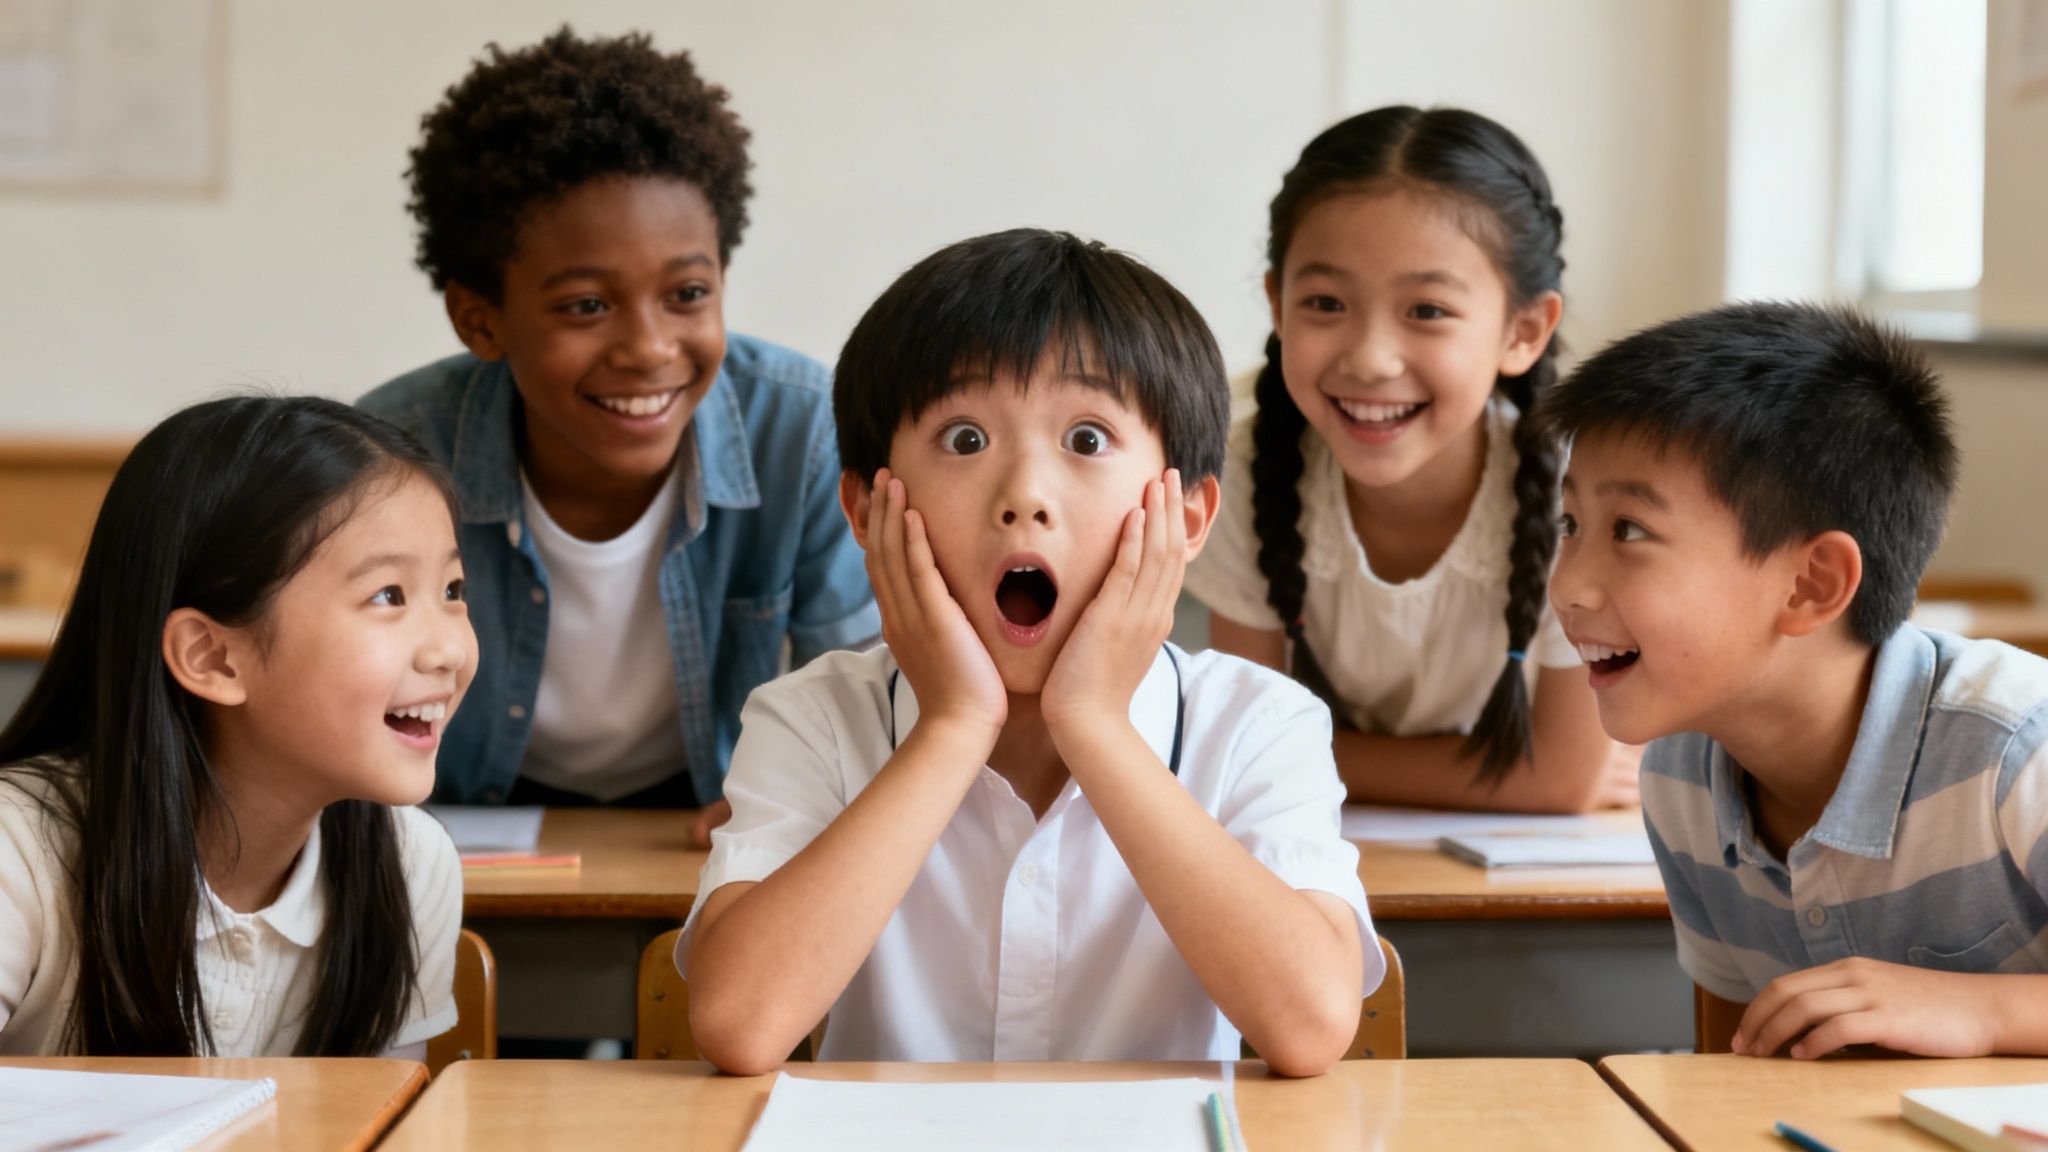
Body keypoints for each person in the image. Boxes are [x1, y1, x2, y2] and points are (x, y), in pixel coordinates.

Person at [361, 28, 876, 843]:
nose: (648, 349)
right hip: (458, 831)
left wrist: (801, 800)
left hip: (709, 823)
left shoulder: (804, 433)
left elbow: (877, 696)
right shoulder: (391, 456)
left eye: (688, 293)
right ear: (480, 318)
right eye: (586, 306)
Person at [1546, 301, 2048, 1058]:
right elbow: (1734, 1071)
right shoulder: (1681, 777)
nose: (1570, 588)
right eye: (1570, 525)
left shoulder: (2016, 751)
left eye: (1630, 531)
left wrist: (1984, 1012)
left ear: (1812, 584)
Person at [1186, 106, 1632, 813]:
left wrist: (1552, 778)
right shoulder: (1237, 472)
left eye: (1426, 311)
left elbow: (1564, 779)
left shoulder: (1582, 494)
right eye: (1326, 302)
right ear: (1277, 304)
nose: (1369, 358)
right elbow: (1241, 754)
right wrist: (1528, 777)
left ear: (1523, 331)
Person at [0, 397, 473, 1056]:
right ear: (213, 657)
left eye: (452, 590)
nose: (448, 650)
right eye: (387, 595)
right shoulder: (16, 854)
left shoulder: (410, 861)